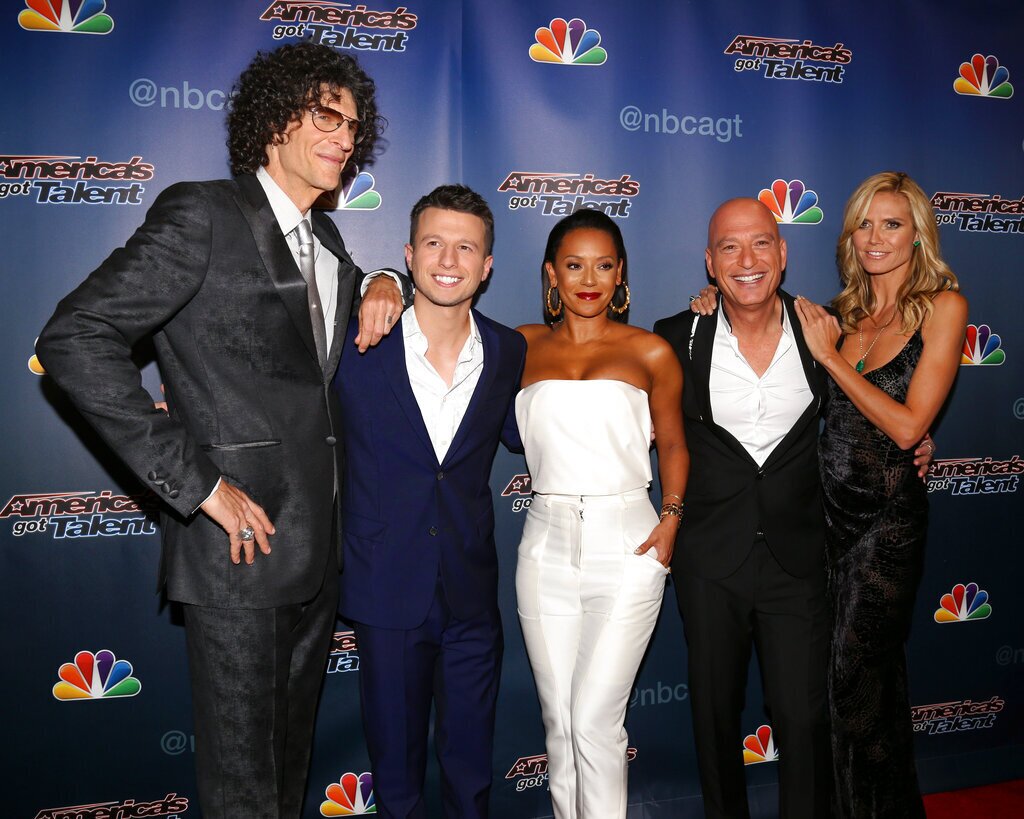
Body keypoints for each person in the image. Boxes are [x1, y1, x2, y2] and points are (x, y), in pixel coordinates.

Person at [35, 42, 409, 819]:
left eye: (354, 123)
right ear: (273, 120)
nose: (345, 136)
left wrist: (387, 279)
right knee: (242, 791)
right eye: (325, 115)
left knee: (285, 773)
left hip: (315, 552)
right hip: (237, 552)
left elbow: (319, 344)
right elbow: (75, 337)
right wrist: (197, 483)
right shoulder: (202, 212)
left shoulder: (331, 241)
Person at [334, 185, 526, 818]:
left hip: (473, 594)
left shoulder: (508, 351)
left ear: (488, 265)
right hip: (386, 589)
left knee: (472, 773)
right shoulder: (356, 341)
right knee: (396, 781)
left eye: (467, 246)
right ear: (409, 254)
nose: (450, 259)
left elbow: (540, 431)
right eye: (435, 243)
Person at [793, 172, 967, 818]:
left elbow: (907, 425)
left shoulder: (943, 308)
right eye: (864, 223)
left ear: (918, 234)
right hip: (830, 520)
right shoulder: (842, 313)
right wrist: (708, 299)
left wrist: (834, 359)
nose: (874, 237)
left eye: (891, 223)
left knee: (851, 679)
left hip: (888, 530)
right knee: (874, 691)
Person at [654, 198, 833, 819]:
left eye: (761, 243)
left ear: (783, 254)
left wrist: (917, 442)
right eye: (729, 247)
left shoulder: (826, 331)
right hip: (710, 558)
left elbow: (873, 409)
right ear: (710, 263)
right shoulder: (677, 336)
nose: (746, 260)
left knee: (804, 720)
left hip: (799, 557)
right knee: (713, 716)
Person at [515, 209, 688, 819]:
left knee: (594, 719)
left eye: (605, 264)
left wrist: (670, 518)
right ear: (551, 275)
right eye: (574, 264)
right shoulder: (520, 346)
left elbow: (672, 443)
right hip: (544, 544)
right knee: (559, 721)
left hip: (629, 542)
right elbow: (441, 323)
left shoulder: (651, 351)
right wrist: (386, 281)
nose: (589, 278)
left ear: (621, 276)